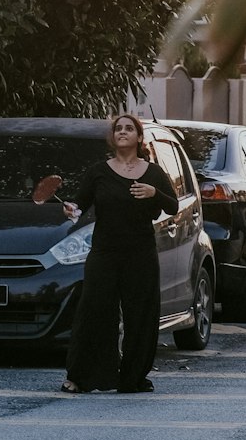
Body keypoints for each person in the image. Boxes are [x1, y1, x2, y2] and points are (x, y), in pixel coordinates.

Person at [61, 114, 177, 395]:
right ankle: (82, 377)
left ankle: (132, 378)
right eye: (118, 128)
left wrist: (154, 194)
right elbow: (80, 204)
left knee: (141, 315)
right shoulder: (99, 171)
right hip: (104, 253)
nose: (122, 132)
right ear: (112, 137)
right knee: (94, 311)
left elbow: (172, 206)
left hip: (140, 253)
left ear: (139, 137)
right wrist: (71, 209)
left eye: (129, 128)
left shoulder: (153, 173)